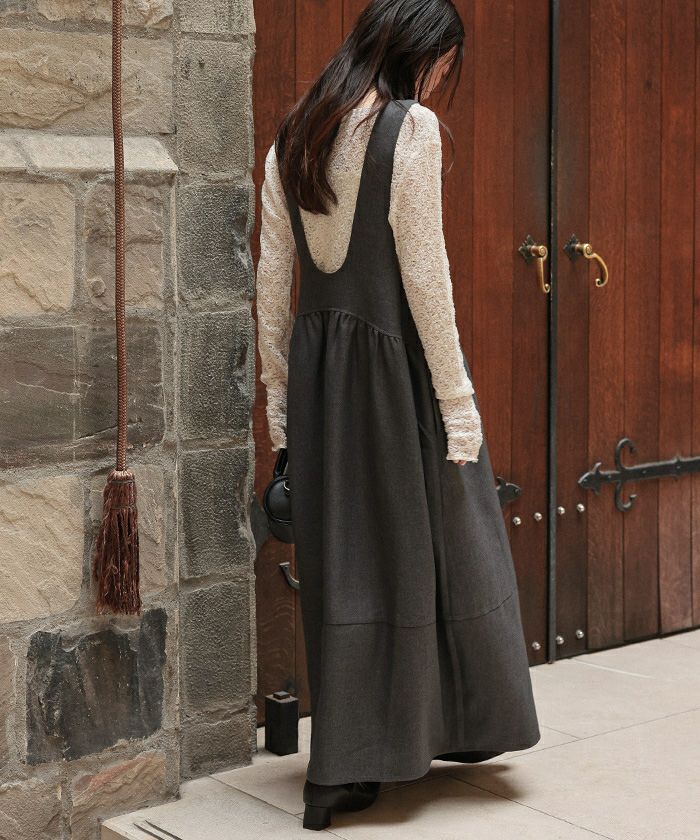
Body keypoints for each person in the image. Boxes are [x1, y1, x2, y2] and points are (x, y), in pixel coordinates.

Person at [256, 0, 541, 830]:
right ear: (424, 54)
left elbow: (272, 288)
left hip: (321, 381)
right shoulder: (409, 129)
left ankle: (358, 763)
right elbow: (426, 277)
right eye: (446, 65)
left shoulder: (293, 137)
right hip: (395, 377)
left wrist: (282, 413)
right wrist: (458, 403)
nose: (443, 81)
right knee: (438, 546)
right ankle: (371, 761)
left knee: (347, 562)